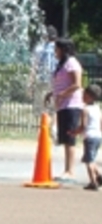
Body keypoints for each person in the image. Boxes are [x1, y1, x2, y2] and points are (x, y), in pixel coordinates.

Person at [44, 38, 84, 180]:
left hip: (71, 104)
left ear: (64, 49)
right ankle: (66, 169)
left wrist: (62, 94)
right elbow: (62, 83)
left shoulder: (72, 63)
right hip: (63, 105)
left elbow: (77, 84)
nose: (55, 52)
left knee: (69, 138)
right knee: (65, 139)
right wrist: (52, 93)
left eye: (57, 49)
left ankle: (70, 171)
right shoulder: (62, 64)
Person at [69, 84, 102, 191]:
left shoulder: (85, 109)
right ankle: (99, 176)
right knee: (91, 158)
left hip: (89, 137)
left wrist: (74, 132)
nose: (82, 96)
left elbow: (83, 126)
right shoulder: (98, 108)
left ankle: (93, 182)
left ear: (89, 97)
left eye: (84, 94)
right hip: (98, 136)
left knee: (89, 161)